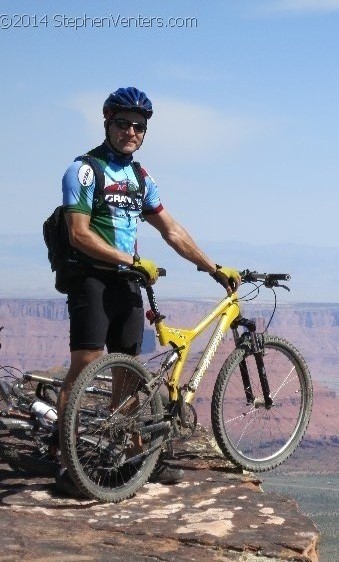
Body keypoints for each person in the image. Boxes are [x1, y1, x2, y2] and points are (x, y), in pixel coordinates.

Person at [54, 86, 240, 497]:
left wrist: (212, 267)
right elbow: (78, 233)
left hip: (128, 284)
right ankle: (68, 464)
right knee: (85, 364)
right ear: (107, 122)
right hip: (92, 279)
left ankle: (137, 456)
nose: (131, 131)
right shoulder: (85, 171)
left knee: (130, 372)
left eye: (139, 126)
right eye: (123, 123)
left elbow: (171, 230)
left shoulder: (140, 178)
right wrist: (131, 261)